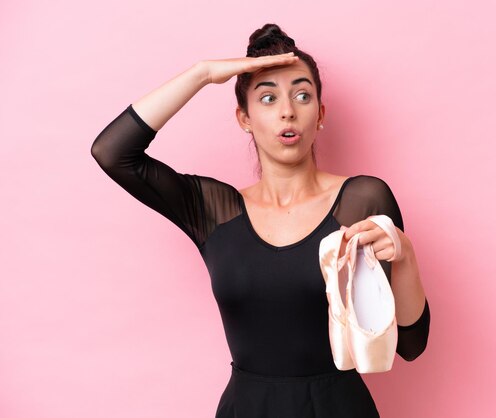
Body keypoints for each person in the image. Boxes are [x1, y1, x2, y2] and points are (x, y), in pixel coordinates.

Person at [91, 23, 430, 418]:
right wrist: (202, 74)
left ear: (319, 115)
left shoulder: (362, 199)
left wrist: (404, 255)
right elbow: (112, 152)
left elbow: (411, 344)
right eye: (267, 98)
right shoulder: (213, 210)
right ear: (244, 118)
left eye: (302, 95)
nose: (287, 110)